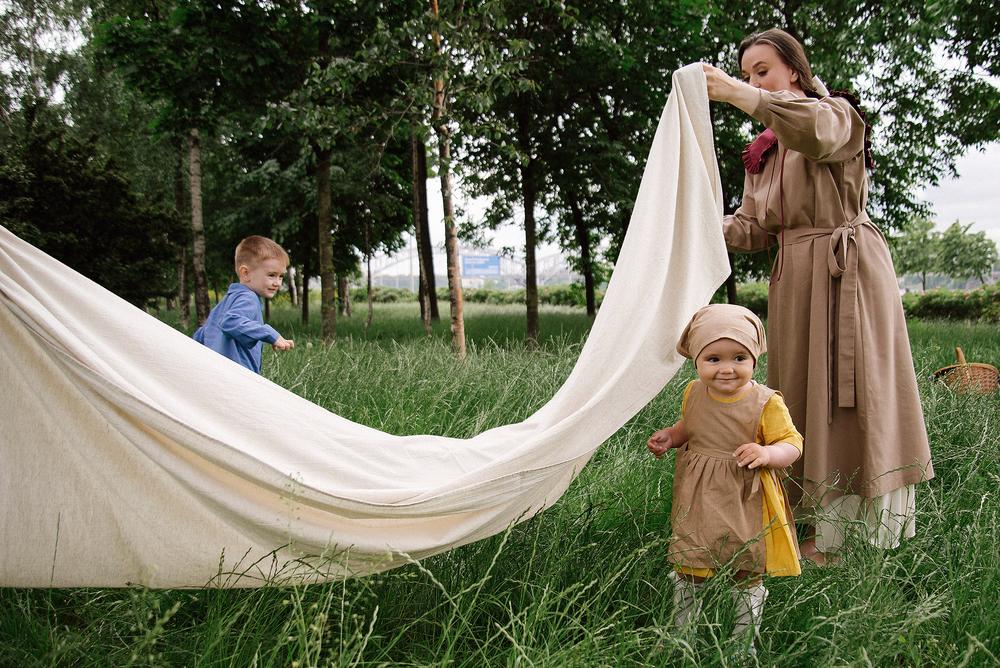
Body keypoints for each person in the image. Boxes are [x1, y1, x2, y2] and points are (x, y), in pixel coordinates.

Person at [701, 29, 934, 563]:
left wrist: (743, 95)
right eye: (747, 72)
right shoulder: (762, 152)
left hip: (847, 269)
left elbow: (818, 135)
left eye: (763, 70)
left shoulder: (836, 115)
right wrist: (700, 225)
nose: (754, 80)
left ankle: (861, 531)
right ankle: (817, 524)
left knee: (857, 393)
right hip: (796, 280)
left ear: (795, 72)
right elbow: (755, 228)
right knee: (804, 396)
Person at [648, 304, 802, 654]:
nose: (727, 369)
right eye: (713, 359)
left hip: (745, 496)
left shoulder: (766, 403)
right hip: (699, 496)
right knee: (690, 562)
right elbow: (692, 425)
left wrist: (767, 454)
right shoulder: (693, 392)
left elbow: (792, 444)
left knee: (744, 567)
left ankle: (741, 643)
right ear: (696, 361)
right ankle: (681, 634)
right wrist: (672, 437)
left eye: (739, 357)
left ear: (754, 360)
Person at [193, 235, 294, 373]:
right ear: (245, 273)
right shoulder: (248, 298)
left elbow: (203, 333)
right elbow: (230, 321)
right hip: (238, 377)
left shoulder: (228, 300)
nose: (277, 282)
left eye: (281, 276)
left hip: (216, 373)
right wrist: (269, 334)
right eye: (271, 275)